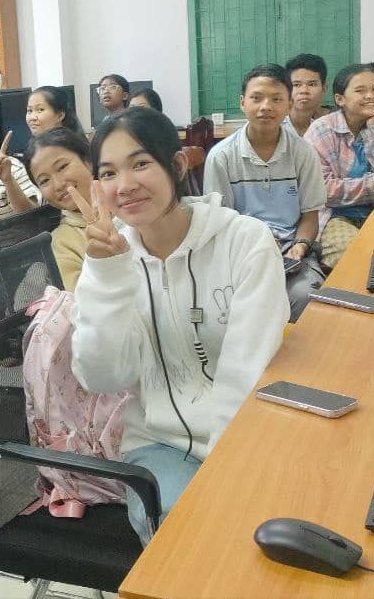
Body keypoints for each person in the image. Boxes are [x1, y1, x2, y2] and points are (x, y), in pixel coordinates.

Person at [68, 107, 289, 542]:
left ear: (177, 164)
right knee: (189, 533)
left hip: (247, 433)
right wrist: (107, 274)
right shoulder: (111, 259)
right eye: (109, 173)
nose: (125, 185)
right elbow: (101, 376)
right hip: (158, 443)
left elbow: (247, 372)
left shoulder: (245, 242)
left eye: (141, 163)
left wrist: (228, 472)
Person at [204, 64, 326, 321]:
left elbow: (310, 216)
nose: (266, 106)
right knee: (232, 303)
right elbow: (220, 221)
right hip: (241, 251)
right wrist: (255, 240)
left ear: (289, 103)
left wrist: (302, 245)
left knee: (306, 297)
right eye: (256, 98)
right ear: (242, 102)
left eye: (277, 99)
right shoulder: (222, 157)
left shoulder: (303, 153)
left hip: (291, 251)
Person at [305, 64, 374, 269]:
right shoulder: (322, 130)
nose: (371, 96)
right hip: (336, 217)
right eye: (360, 91)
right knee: (359, 256)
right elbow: (322, 191)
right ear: (340, 99)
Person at [27, 127, 93, 291]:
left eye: (62, 167)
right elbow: (82, 300)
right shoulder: (60, 242)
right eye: (44, 181)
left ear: (89, 161)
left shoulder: (127, 205)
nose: (58, 184)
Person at [283, 53, 333, 136]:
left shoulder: (332, 123)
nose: (304, 91)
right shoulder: (275, 122)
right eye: (296, 85)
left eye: (312, 84)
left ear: (324, 88)